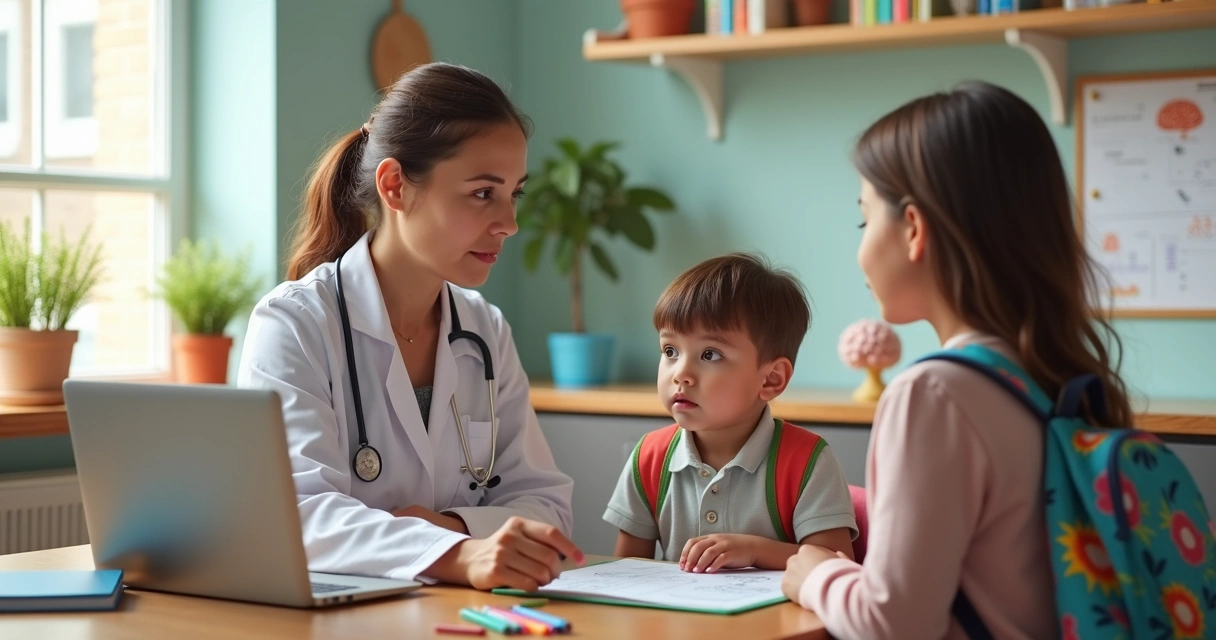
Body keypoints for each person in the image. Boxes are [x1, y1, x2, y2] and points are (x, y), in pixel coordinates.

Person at [782, 81, 1134, 639]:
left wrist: (817, 575)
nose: (861, 245)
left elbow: (894, 623)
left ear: (915, 229)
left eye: (864, 219)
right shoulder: (1064, 376)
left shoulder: (934, 394)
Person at [237, 62, 582, 592]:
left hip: (458, 614)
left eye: (515, 193)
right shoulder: (295, 324)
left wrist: (446, 531)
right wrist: (459, 555)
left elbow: (547, 508)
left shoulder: (484, 330)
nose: (509, 223)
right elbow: (296, 514)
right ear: (395, 186)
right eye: (483, 193)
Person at [603, 253, 857, 573]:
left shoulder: (807, 460)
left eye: (710, 354)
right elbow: (625, 573)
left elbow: (836, 564)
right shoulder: (648, 458)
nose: (681, 373)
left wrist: (753, 550)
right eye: (670, 351)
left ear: (771, 378)